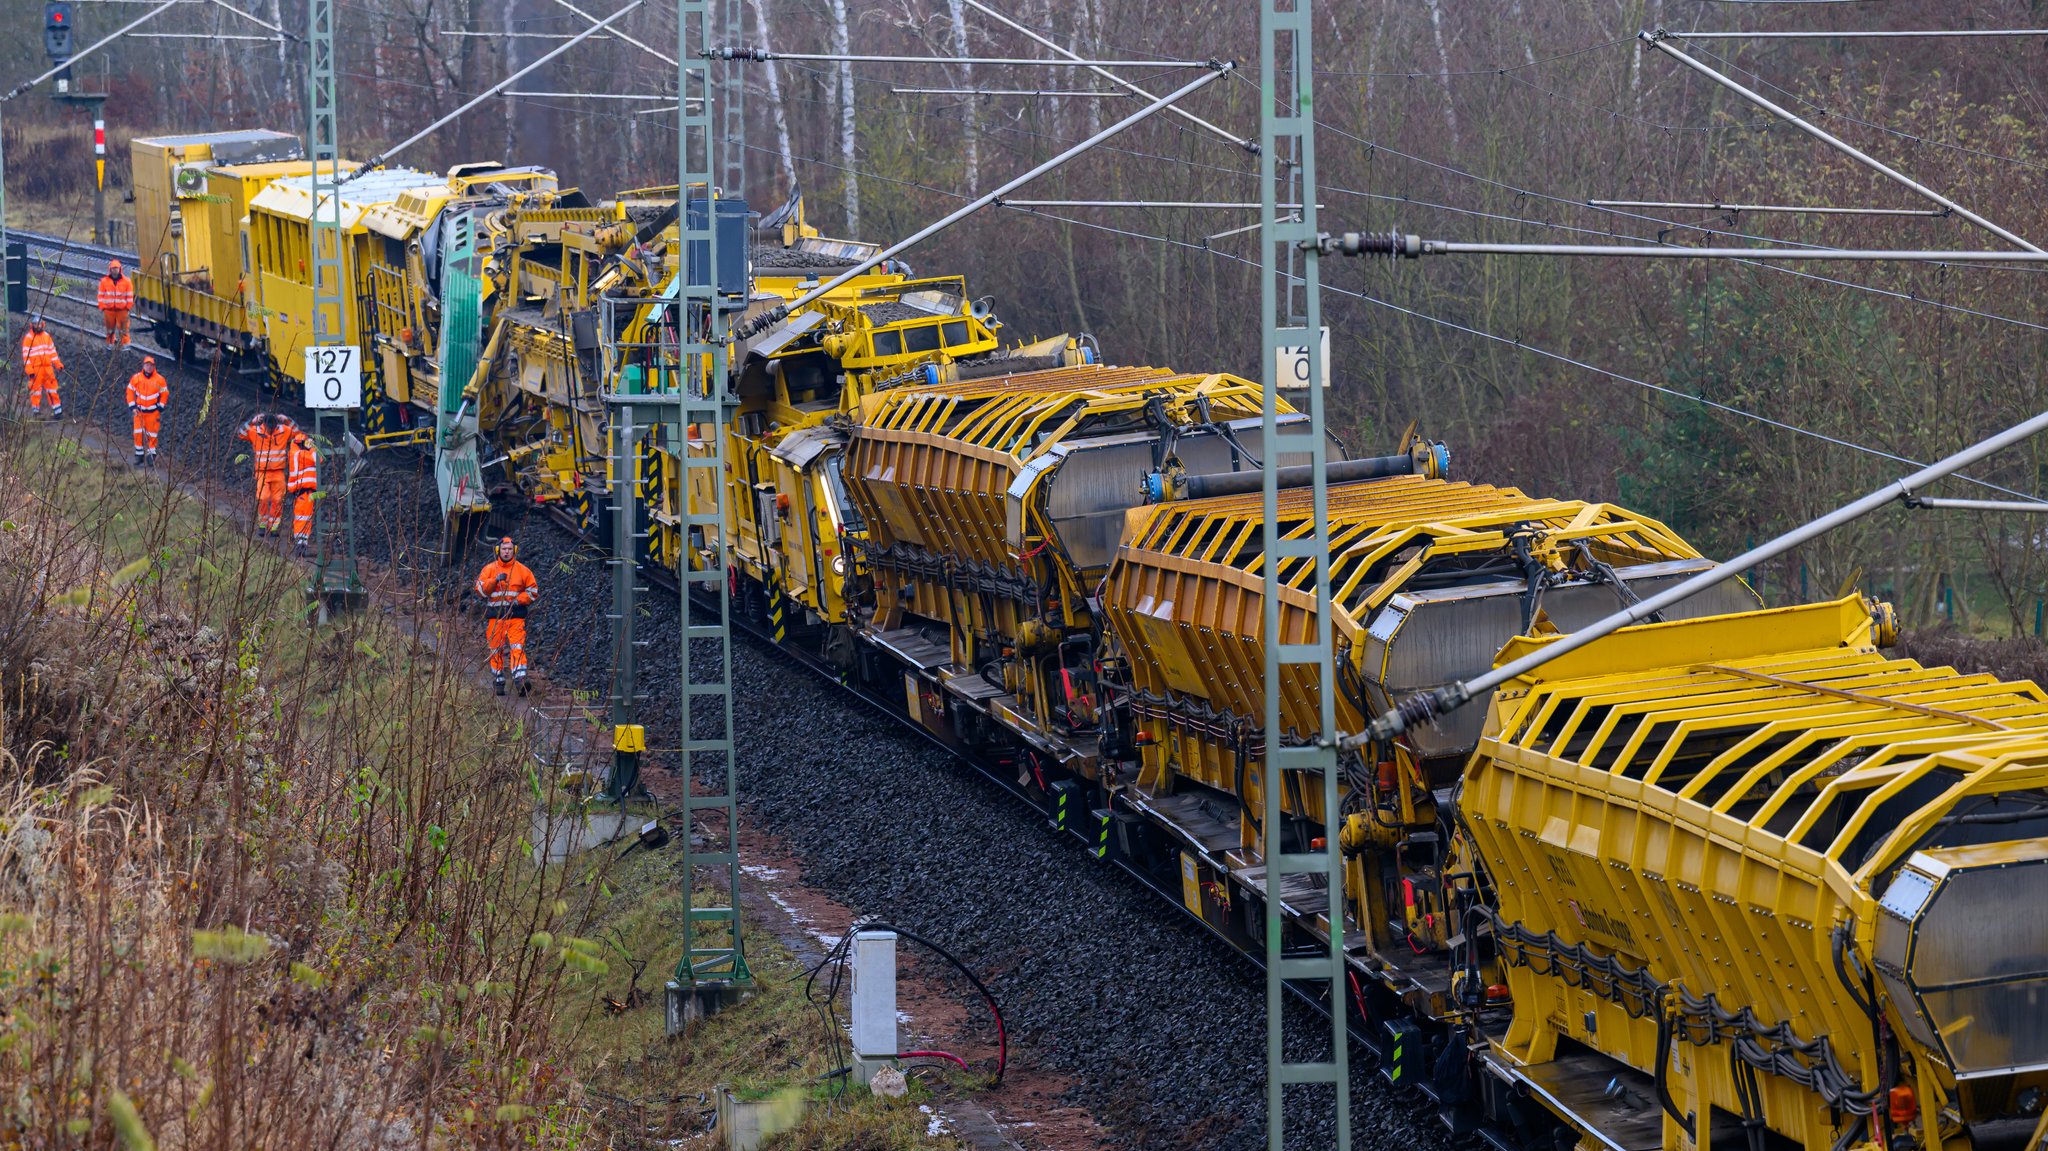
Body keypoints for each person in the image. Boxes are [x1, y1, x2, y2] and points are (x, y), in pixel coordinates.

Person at [474, 536, 539, 696]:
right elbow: (481, 591)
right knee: (495, 650)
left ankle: (520, 679)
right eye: (504, 549)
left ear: (514, 551)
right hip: (495, 619)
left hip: (516, 618)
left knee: (517, 647)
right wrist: (494, 581)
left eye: (509, 549)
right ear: (498, 551)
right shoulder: (489, 570)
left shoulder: (523, 571)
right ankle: (498, 681)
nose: (507, 552)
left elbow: (533, 592)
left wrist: (518, 600)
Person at [237, 412, 299, 535]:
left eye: (273, 427)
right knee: (263, 498)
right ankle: (262, 525)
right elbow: (240, 434)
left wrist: (287, 419)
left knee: (278, 500)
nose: (271, 429)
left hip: (278, 472)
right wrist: (251, 421)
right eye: (269, 427)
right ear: (264, 424)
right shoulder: (255, 431)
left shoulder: (284, 430)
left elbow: (297, 433)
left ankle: (274, 528)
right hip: (262, 473)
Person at [126, 357, 169, 467]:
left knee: (152, 434)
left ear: (154, 366)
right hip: (139, 412)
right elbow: (130, 391)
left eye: (151, 365)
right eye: (147, 365)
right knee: (137, 434)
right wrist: (132, 406)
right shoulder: (136, 378)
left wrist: (161, 406)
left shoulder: (159, 380)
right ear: (143, 366)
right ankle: (139, 456)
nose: (149, 367)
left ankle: (151, 456)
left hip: (153, 412)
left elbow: (165, 393)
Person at [19, 319, 61, 418]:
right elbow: (26, 357)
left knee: (52, 389)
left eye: (38, 324)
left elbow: (52, 352)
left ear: (42, 324)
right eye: (35, 324)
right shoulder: (28, 338)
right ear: (32, 325)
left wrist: (58, 364)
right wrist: (30, 371)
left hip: (47, 368)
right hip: (36, 369)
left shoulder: (46, 336)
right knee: (36, 391)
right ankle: (36, 412)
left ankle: (58, 412)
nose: (37, 326)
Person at [286, 429, 318, 556]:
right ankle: (300, 545)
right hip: (304, 491)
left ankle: (301, 544)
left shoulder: (295, 452)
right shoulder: (301, 455)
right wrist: (313, 447)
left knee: (304, 518)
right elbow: (318, 459)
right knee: (303, 518)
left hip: (303, 492)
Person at [97, 259, 133, 347]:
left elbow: (130, 296)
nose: (115, 270)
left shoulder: (127, 282)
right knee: (110, 329)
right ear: (110, 269)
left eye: (116, 268)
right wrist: (102, 307)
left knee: (124, 329)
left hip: (122, 310)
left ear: (120, 269)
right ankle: (110, 344)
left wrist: (128, 307)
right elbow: (100, 295)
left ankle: (125, 344)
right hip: (109, 310)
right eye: (113, 268)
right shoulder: (104, 281)